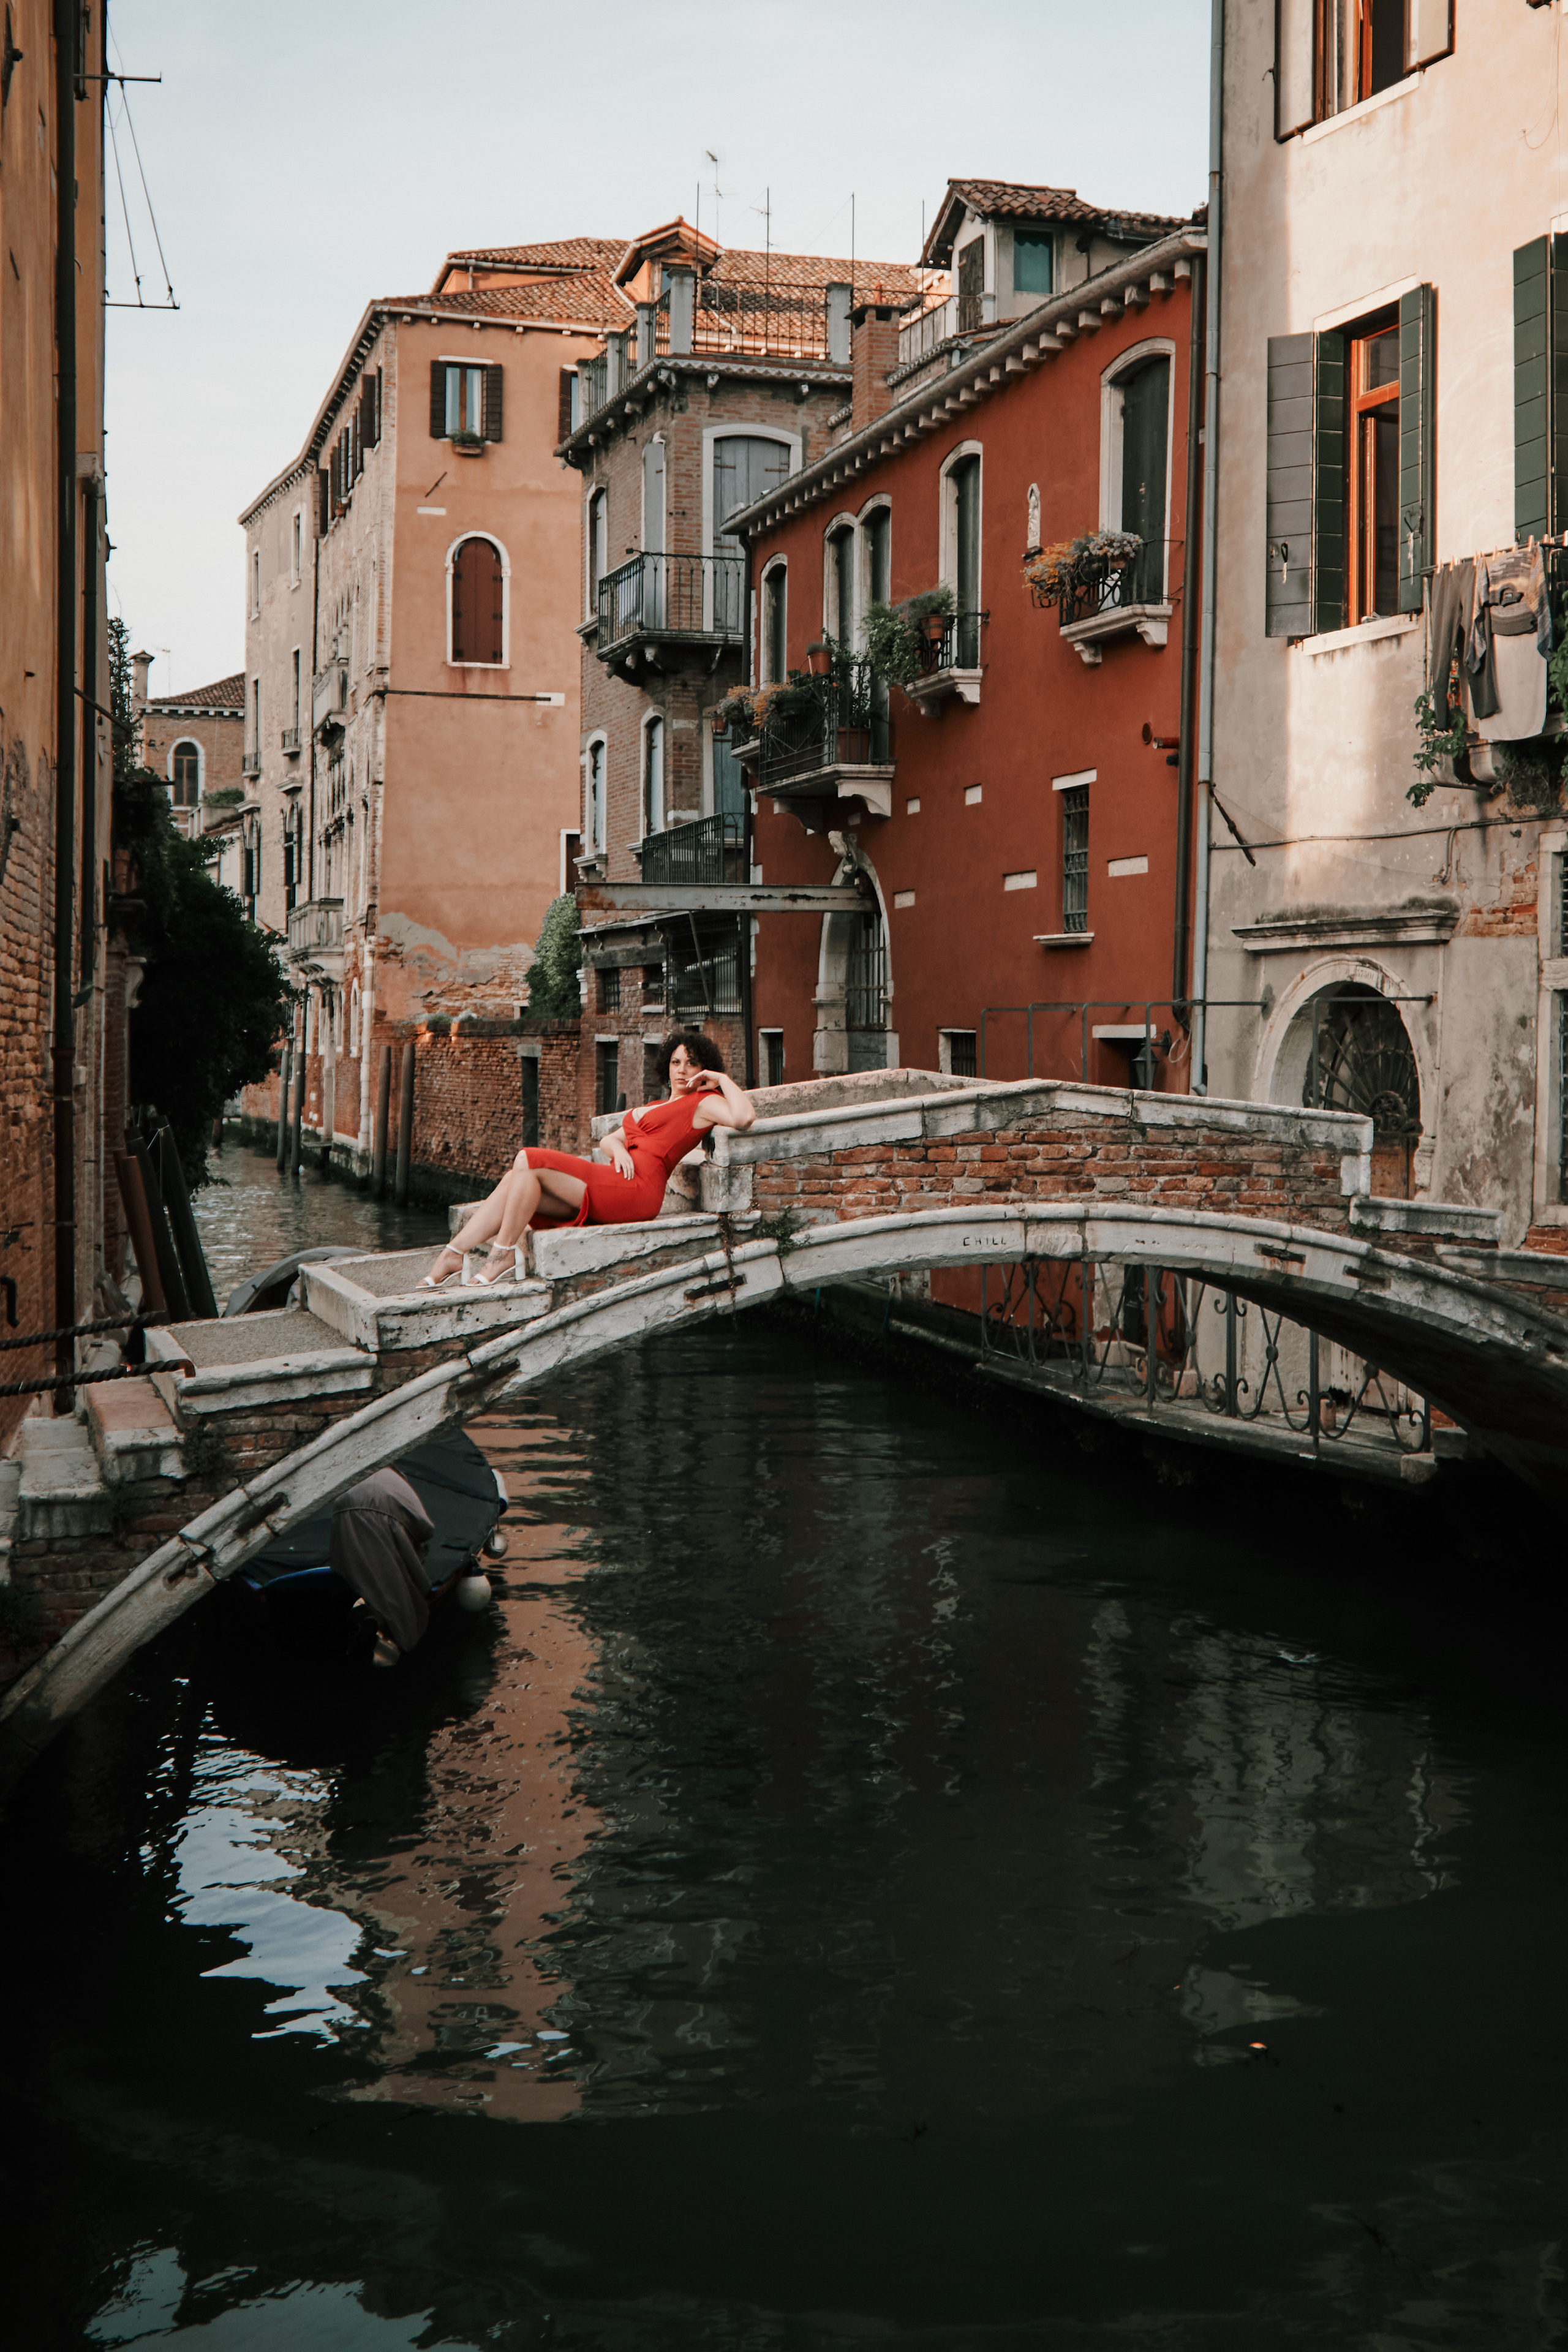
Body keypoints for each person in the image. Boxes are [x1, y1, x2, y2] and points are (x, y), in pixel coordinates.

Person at [420, 1031, 756, 1291]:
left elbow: (743, 1118)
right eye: (676, 1062)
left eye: (692, 1064)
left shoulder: (702, 1102)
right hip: (616, 1177)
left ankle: (501, 1252)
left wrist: (722, 1080)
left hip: (637, 1190)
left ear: (703, 1069)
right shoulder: (655, 1106)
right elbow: (611, 1138)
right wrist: (620, 1151)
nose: (683, 1071)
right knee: (516, 1178)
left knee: (527, 1158)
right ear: (666, 1065)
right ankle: (455, 1253)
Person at [329, 1464, 436, 1668]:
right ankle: (386, 1626)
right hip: (386, 1549)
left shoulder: (346, 1486)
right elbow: (425, 1529)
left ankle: (364, 1615)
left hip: (349, 1553)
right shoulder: (397, 1483)